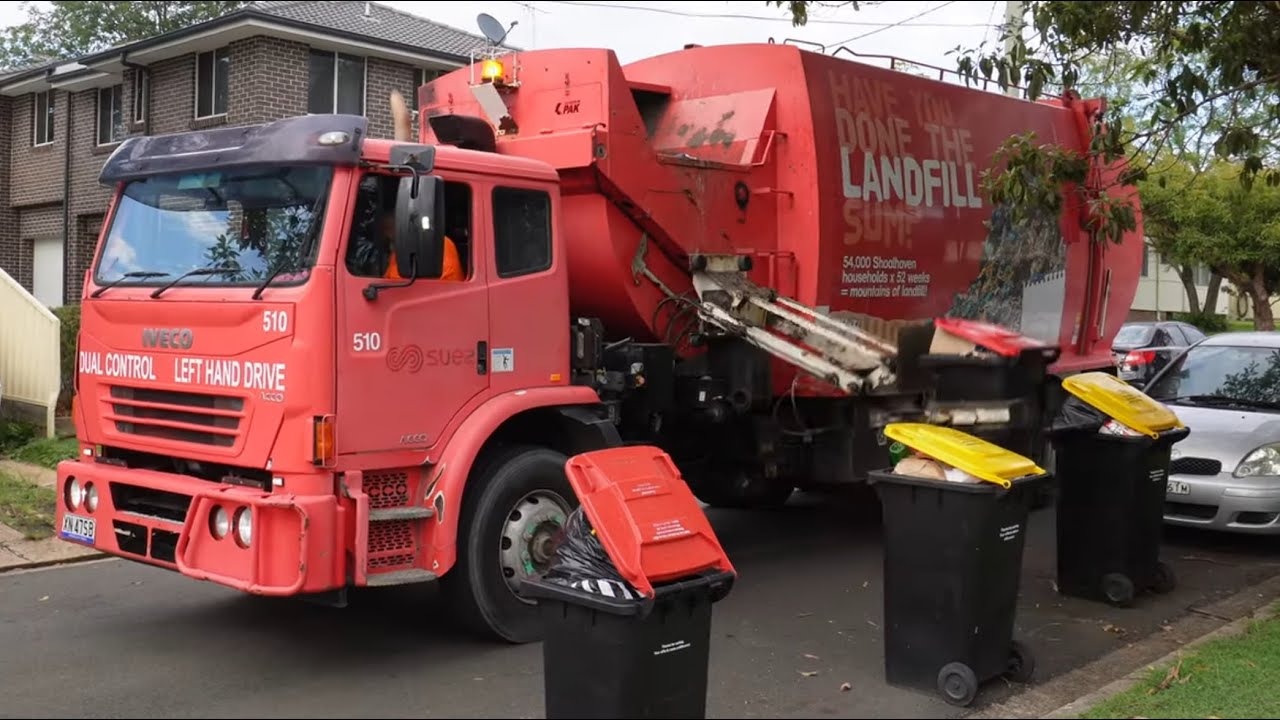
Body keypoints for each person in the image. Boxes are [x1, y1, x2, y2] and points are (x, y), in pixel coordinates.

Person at [380, 210, 464, 281]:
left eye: (388, 228)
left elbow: (399, 282)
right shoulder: (401, 247)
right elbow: (387, 279)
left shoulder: (439, 243)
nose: (387, 235)